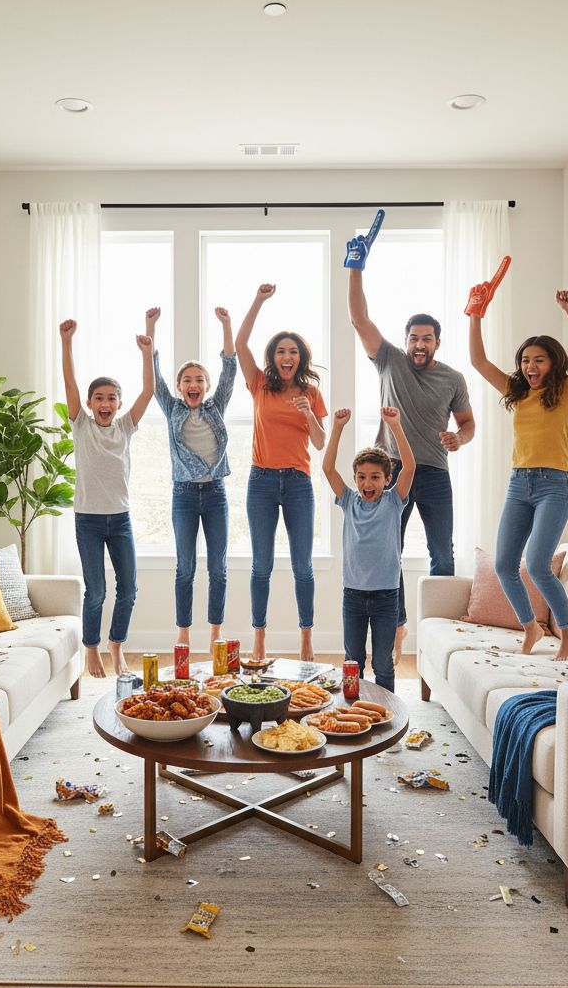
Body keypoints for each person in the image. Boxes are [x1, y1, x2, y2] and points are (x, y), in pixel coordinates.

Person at [346, 224, 476, 662]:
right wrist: (356, 268)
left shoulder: (453, 378)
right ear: (405, 343)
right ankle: (397, 624)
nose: (419, 344)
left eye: (427, 338)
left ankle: (444, 638)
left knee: (443, 553)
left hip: (434, 472)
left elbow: (469, 424)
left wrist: (459, 438)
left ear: (437, 342)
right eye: (413, 338)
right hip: (392, 475)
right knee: (390, 553)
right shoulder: (389, 361)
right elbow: (359, 319)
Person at [468, 270, 568, 662]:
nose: (529, 366)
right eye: (525, 360)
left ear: (553, 363)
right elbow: (478, 361)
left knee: (539, 564)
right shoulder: (516, 392)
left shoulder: (566, 390)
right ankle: (530, 627)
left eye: (538, 359)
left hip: (554, 485)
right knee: (506, 564)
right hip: (518, 484)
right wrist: (475, 315)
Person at [235, 283, 327, 661]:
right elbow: (240, 344)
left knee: (303, 566)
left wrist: (307, 413)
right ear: (272, 357)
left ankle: (306, 639)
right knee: (262, 565)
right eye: (280, 351)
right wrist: (257, 300)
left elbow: (320, 443)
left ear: (300, 358)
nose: (286, 356)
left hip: (298, 483)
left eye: (293, 351)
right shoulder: (259, 384)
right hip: (261, 482)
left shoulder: (311, 393)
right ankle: (259, 637)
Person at [60, 317, 154, 678]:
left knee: (129, 589)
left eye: (111, 398)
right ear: (88, 402)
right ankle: (90, 649)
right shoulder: (81, 425)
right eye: (98, 397)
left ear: (118, 404)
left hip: (121, 519)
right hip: (88, 519)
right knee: (96, 591)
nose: (105, 402)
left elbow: (147, 392)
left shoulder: (126, 426)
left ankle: (117, 645)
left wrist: (147, 353)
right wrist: (66, 342)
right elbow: (69, 381)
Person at [146, 305, 236, 649]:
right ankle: (183, 633)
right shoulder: (173, 408)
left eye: (199, 379)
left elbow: (230, 366)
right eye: (187, 380)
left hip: (215, 494)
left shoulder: (216, 406)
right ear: (181, 387)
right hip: (183, 495)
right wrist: (150, 327)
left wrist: (226, 324)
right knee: (185, 567)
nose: (193, 384)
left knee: (219, 568)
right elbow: (154, 379)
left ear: (208, 385)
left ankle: (215, 633)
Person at [323, 406, 415, 692]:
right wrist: (337, 429)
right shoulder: (349, 501)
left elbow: (410, 466)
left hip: (387, 596)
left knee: (384, 664)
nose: (367, 482)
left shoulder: (393, 502)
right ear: (355, 479)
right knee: (353, 661)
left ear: (387, 480)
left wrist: (396, 426)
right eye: (361, 476)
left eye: (375, 477)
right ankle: (354, 708)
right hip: (353, 595)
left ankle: (387, 714)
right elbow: (327, 468)